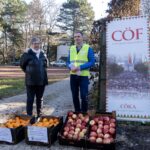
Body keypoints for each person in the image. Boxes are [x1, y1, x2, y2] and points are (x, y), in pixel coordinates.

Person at [67, 31, 95, 113]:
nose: (77, 38)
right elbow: (68, 61)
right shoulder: (71, 48)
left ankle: (84, 113)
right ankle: (77, 112)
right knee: (74, 95)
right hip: (73, 75)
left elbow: (92, 61)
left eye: (78, 36)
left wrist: (80, 67)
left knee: (84, 95)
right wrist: (70, 66)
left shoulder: (88, 48)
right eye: (75, 37)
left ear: (82, 38)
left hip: (83, 75)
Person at [20, 37, 48, 117]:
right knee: (30, 99)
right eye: (35, 43)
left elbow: (46, 65)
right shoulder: (26, 54)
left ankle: (40, 115)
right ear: (31, 44)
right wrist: (29, 73)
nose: (36, 45)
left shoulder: (43, 54)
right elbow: (22, 65)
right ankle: (29, 115)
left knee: (40, 99)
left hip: (41, 81)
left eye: (38, 43)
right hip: (30, 81)